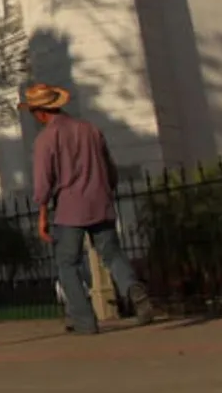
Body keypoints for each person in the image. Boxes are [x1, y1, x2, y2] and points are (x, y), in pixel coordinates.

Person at [24, 82, 154, 334]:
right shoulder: (90, 130)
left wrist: (41, 215)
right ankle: (132, 289)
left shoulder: (46, 139)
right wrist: (106, 190)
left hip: (70, 209)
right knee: (112, 254)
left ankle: (84, 320)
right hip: (99, 201)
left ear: (40, 112)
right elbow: (110, 169)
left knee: (67, 263)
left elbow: (43, 182)